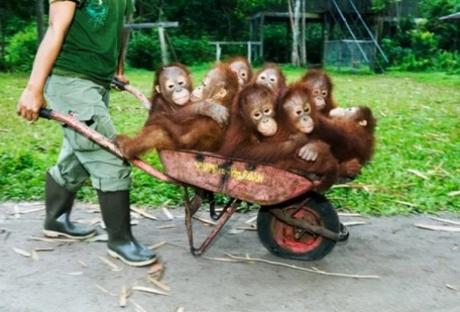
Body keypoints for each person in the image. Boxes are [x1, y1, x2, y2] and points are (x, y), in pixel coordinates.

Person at [16, 0, 157, 267]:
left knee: (78, 155)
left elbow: (121, 28)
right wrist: (33, 88)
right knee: (110, 156)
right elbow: (57, 26)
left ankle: (56, 220)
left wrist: (117, 68)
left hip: (95, 81)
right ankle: (121, 241)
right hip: (69, 79)